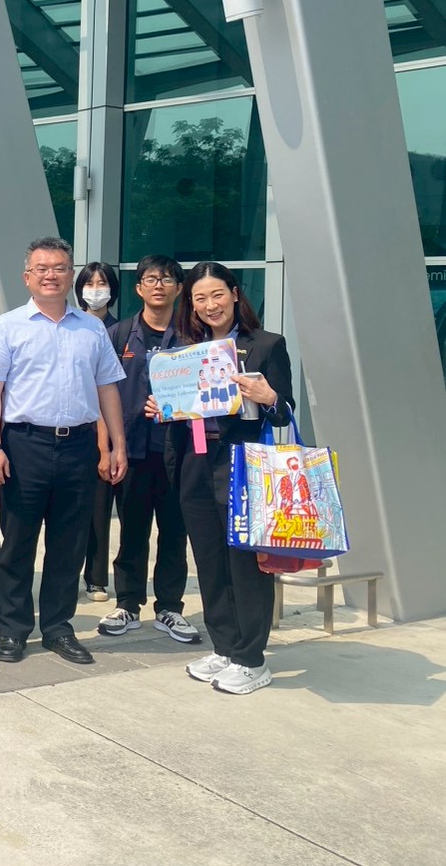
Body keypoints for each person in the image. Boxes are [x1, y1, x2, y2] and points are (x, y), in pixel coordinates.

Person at [0, 236, 127, 666]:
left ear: (70, 275)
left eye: (60, 268)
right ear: (27, 277)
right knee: (18, 541)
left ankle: (58, 628)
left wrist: (117, 445)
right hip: (24, 444)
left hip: (79, 445)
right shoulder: (8, 326)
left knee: (69, 542)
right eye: (42, 269)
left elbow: (108, 389)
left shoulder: (92, 328)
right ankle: (13, 629)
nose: (51, 275)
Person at [153, 262, 292, 695]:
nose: (210, 305)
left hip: (242, 464)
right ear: (191, 305)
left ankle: (251, 658)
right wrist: (162, 409)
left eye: (217, 295)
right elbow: (179, 409)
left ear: (234, 294)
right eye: (200, 298)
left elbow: (284, 412)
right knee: (210, 560)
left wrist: (269, 396)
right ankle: (225, 647)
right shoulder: (185, 349)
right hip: (195, 462)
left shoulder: (266, 344)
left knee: (245, 564)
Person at [97, 254, 199, 645]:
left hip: (180, 450)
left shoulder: (194, 335)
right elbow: (102, 393)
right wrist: (106, 448)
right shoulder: (119, 334)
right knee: (132, 530)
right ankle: (127, 603)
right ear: (139, 288)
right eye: (151, 279)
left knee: (174, 531)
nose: (159, 285)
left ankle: (170, 607)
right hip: (132, 450)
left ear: (179, 288)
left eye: (167, 279)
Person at [76, 261, 120, 603]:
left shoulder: (120, 331)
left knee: (100, 510)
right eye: (89, 284)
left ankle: (96, 577)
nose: (95, 290)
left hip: (113, 429)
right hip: (79, 430)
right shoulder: (74, 327)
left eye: (102, 283)